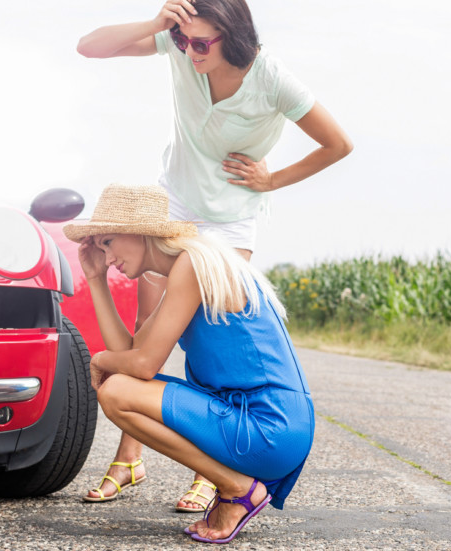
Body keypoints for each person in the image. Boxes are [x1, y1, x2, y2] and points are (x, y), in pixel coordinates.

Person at [76, 0, 351, 511]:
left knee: (212, 334)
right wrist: (161, 26)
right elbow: (89, 46)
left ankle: (213, 471)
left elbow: (337, 144)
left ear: (234, 33)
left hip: (229, 216)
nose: (191, 51)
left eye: (201, 42)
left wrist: (272, 180)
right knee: (148, 333)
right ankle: (128, 457)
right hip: (174, 201)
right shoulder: (180, 45)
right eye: (184, 41)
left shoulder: (272, 79)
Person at [64, 184, 315, 543]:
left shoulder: (195, 264)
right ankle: (234, 485)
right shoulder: (190, 267)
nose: (107, 258)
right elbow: (131, 353)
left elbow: (143, 365)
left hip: (270, 427)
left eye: (108, 242)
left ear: (140, 232)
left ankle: (236, 488)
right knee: (118, 386)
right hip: (264, 424)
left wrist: (100, 359)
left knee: (116, 391)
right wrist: (96, 281)